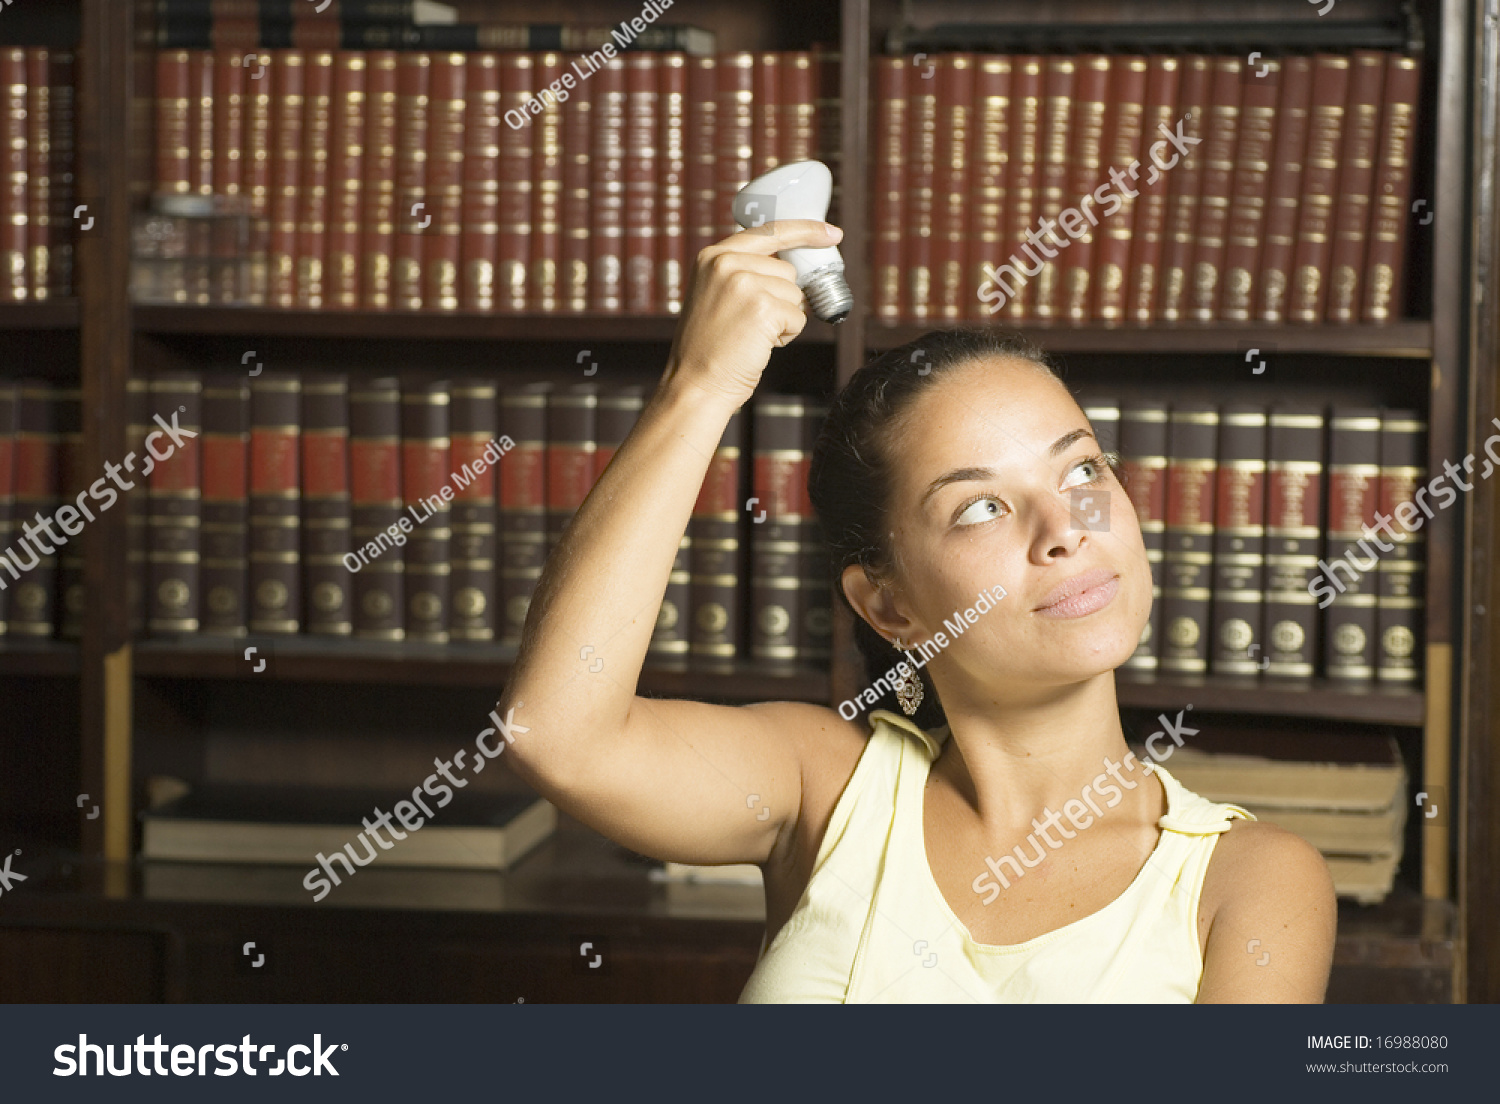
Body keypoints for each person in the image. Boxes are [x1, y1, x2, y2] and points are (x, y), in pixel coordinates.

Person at [496, 220, 1337, 1003]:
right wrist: (700, 387)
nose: (1063, 534)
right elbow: (556, 734)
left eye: (1081, 472)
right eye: (980, 508)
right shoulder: (821, 787)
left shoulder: (1253, 884)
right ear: (888, 605)